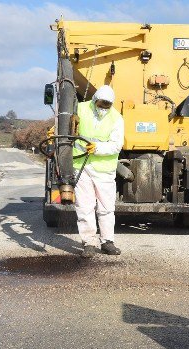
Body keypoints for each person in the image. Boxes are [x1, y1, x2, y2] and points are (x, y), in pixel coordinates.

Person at [73, 85, 124, 258]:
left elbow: (117, 145)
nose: (103, 108)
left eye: (107, 105)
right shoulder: (80, 108)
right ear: (94, 100)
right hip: (81, 165)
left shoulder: (116, 118)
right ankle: (89, 242)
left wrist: (98, 148)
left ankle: (107, 242)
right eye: (101, 104)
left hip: (104, 169)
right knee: (84, 206)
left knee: (106, 207)